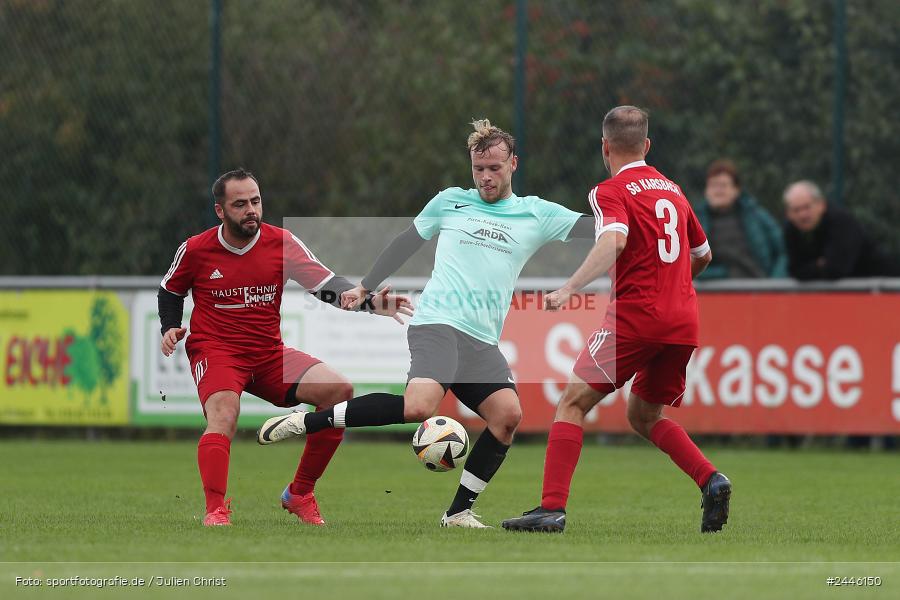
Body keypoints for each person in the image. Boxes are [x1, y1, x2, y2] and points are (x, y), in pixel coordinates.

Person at [257, 119, 594, 528]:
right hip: (437, 322)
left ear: (514, 164)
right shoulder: (450, 201)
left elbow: (598, 228)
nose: (486, 177)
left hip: (481, 340)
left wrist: (630, 212)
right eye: (479, 169)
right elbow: (407, 241)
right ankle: (305, 421)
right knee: (419, 406)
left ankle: (458, 513)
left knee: (507, 416)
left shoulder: (537, 213)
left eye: (495, 168)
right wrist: (365, 286)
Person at [500, 106, 731, 534]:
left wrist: (571, 287)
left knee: (573, 402)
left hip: (636, 317)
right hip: (683, 321)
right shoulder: (674, 191)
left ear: (605, 147)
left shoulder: (610, 190)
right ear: (647, 145)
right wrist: (671, 285)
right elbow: (703, 255)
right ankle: (711, 479)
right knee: (643, 415)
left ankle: (551, 508)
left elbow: (614, 240)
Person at [158, 168, 412, 527]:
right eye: (240, 204)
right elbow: (170, 290)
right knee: (224, 415)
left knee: (338, 391)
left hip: (268, 355)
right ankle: (216, 510)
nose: (251, 210)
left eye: (256, 201)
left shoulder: (282, 243)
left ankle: (300, 494)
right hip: (217, 351)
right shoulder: (196, 249)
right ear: (220, 210)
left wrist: (370, 303)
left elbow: (326, 284)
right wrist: (169, 326)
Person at [783, 180, 899, 280]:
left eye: (807, 207)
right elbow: (794, 271)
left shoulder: (841, 221)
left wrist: (813, 267)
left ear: (821, 205)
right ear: (788, 213)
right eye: (796, 210)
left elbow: (836, 269)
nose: (802, 215)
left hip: (884, 287)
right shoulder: (791, 229)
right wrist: (819, 265)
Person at [694, 159, 786, 279]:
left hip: (758, 283)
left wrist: (775, 282)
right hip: (715, 287)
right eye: (713, 185)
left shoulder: (755, 215)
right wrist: (720, 274)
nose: (718, 190)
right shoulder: (695, 220)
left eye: (723, 185)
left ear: (736, 190)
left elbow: (783, 249)